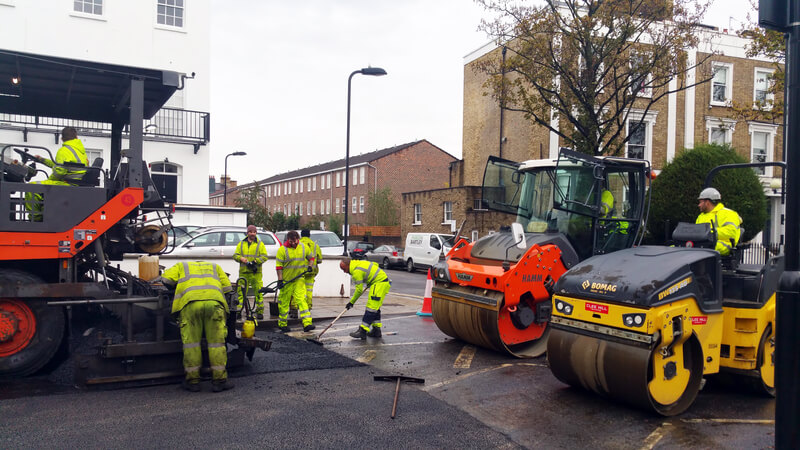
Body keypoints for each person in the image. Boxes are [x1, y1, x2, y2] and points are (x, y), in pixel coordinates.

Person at [160, 261, 234, 393]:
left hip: (190, 305)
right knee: (216, 345)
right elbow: (228, 288)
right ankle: (219, 381)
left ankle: (193, 382)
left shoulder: (181, 266)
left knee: (191, 345)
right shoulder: (215, 266)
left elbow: (165, 279)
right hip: (214, 304)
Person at [24, 126, 89, 220]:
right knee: (40, 187)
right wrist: (42, 160)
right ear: (76, 137)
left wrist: (49, 181)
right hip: (75, 183)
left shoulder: (64, 150)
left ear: (62, 139)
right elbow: (59, 165)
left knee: (31, 187)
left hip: (68, 184)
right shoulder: (81, 151)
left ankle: (36, 219)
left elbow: (59, 171)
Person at [340, 258, 391, 339]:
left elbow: (359, 290)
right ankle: (376, 330)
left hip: (378, 284)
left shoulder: (356, 272)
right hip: (382, 283)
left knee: (371, 308)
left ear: (348, 265)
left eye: (344, 269)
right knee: (375, 308)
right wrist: (371, 278)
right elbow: (375, 264)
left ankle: (362, 331)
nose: (344, 272)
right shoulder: (359, 263)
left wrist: (351, 302)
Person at [275, 230, 315, 333]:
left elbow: (312, 258)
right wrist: (280, 280)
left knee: (301, 300)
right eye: (291, 241)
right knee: (284, 302)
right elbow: (279, 267)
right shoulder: (282, 250)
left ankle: (307, 323)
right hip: (286, 280)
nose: (294, 243)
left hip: (299, 279)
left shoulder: (303, 247)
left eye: (295, 241)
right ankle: (282, 324)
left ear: (298, 239)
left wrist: (310, 266)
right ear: (288, 240)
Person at [233, 225, 269, 319]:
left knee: (258, 291)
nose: (252, 233)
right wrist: (240, 258)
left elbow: (264, 256)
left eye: (254, 232)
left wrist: (255, 261)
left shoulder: (260, 244)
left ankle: (260, 311)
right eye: (251, 232)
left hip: (255, 272)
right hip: (244, 272)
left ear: (256, 233)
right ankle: (239, 310)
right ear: (247, 233)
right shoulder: (241, 244)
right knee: (241, 293)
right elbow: (235, 255)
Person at [696, 187, 742, 256]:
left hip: (722, 246)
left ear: (707, 202)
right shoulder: (701, 216)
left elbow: (731, 233)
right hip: (704, 245)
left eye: (700, 202)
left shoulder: (728, 214)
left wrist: (709, 233)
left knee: (699, 247)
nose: (699, 205)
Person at [298, 229, 322, 310]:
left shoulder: (297, 244)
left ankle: (294, 308)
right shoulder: (315, 245)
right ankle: (308, 306)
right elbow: (319, 260)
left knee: (297, 291)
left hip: (299, 272)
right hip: (311, 272)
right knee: (309, 290)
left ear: (301, 235)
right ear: (309, 235)